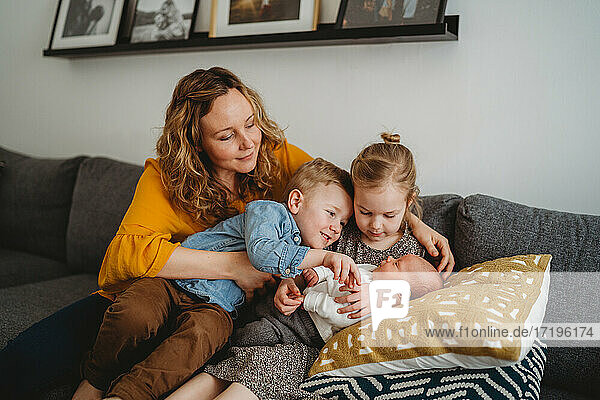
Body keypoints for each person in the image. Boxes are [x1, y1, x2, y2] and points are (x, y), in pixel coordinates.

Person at [0, 68, 453, 400]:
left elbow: (353, 193)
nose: (249, 142)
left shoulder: (276, 156)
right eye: (227, 135)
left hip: (223, 313)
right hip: (162, 289)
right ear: (195, 141)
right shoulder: (164, 179)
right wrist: (237, 265)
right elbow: (129, 253)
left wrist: (412, 219)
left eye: (252, 122)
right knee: (20, 364)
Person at [174, 132, 452, 400]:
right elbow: (303, 261)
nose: (376, 224)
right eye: (364, 211)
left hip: (312, 340)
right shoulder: (341, 230)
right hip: (282, 317)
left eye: (390, 214)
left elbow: (424, 301)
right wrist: (287, 283)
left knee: (257, 368)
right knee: (230, 365)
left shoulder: (411, 250)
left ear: (409, 203)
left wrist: (382, 297)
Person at [77, 158, 360, 399]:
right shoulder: (269, 212)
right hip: (175, 282)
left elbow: (281, 271)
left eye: (343, 223)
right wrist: (321, 258)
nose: (336, 228)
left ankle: (126, 395)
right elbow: (264, 254)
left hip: (218, 308)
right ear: (296, 201)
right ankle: (96, 378)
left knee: (198, 341)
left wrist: (286, 287)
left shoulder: (305, 252)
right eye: (331, 214)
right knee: (135, 314)